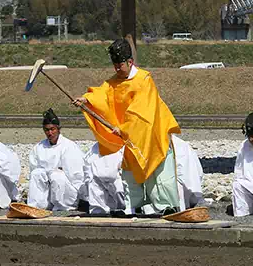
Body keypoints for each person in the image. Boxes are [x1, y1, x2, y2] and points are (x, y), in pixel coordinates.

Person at [74, 39, 181, 214]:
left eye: (120, 65)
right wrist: (86, 100)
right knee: (130, 173)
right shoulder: (113, 82)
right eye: (115, 65)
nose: (117, 69)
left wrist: (124, 128)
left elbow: (141, 110)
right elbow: (102, 95)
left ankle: (166, 206)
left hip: (151, 134)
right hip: (130, 137)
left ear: (130, 62)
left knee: (157, 173)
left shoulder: (144, 80)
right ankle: (133, 207)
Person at [27, 109, 84, 211]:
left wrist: (82, 196)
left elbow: (76, 174)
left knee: (56, 175)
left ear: (58, 129)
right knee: (36, 173)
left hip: (65, 189)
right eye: (47, 130)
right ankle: (37, 206)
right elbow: (34, 168)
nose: (50, 133)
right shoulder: (39, 147)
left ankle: (62, 205)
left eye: (52, 129)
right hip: (47, 187)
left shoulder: (69, 146)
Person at [81, 143, 127, 215]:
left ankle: (122, 211)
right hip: (97, 179)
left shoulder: (123, 147)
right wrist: (89, 178)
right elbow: (87, 165)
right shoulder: (94, 148)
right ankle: (98, 214)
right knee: (96, 194)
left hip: (116, 178)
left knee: (119, 192)